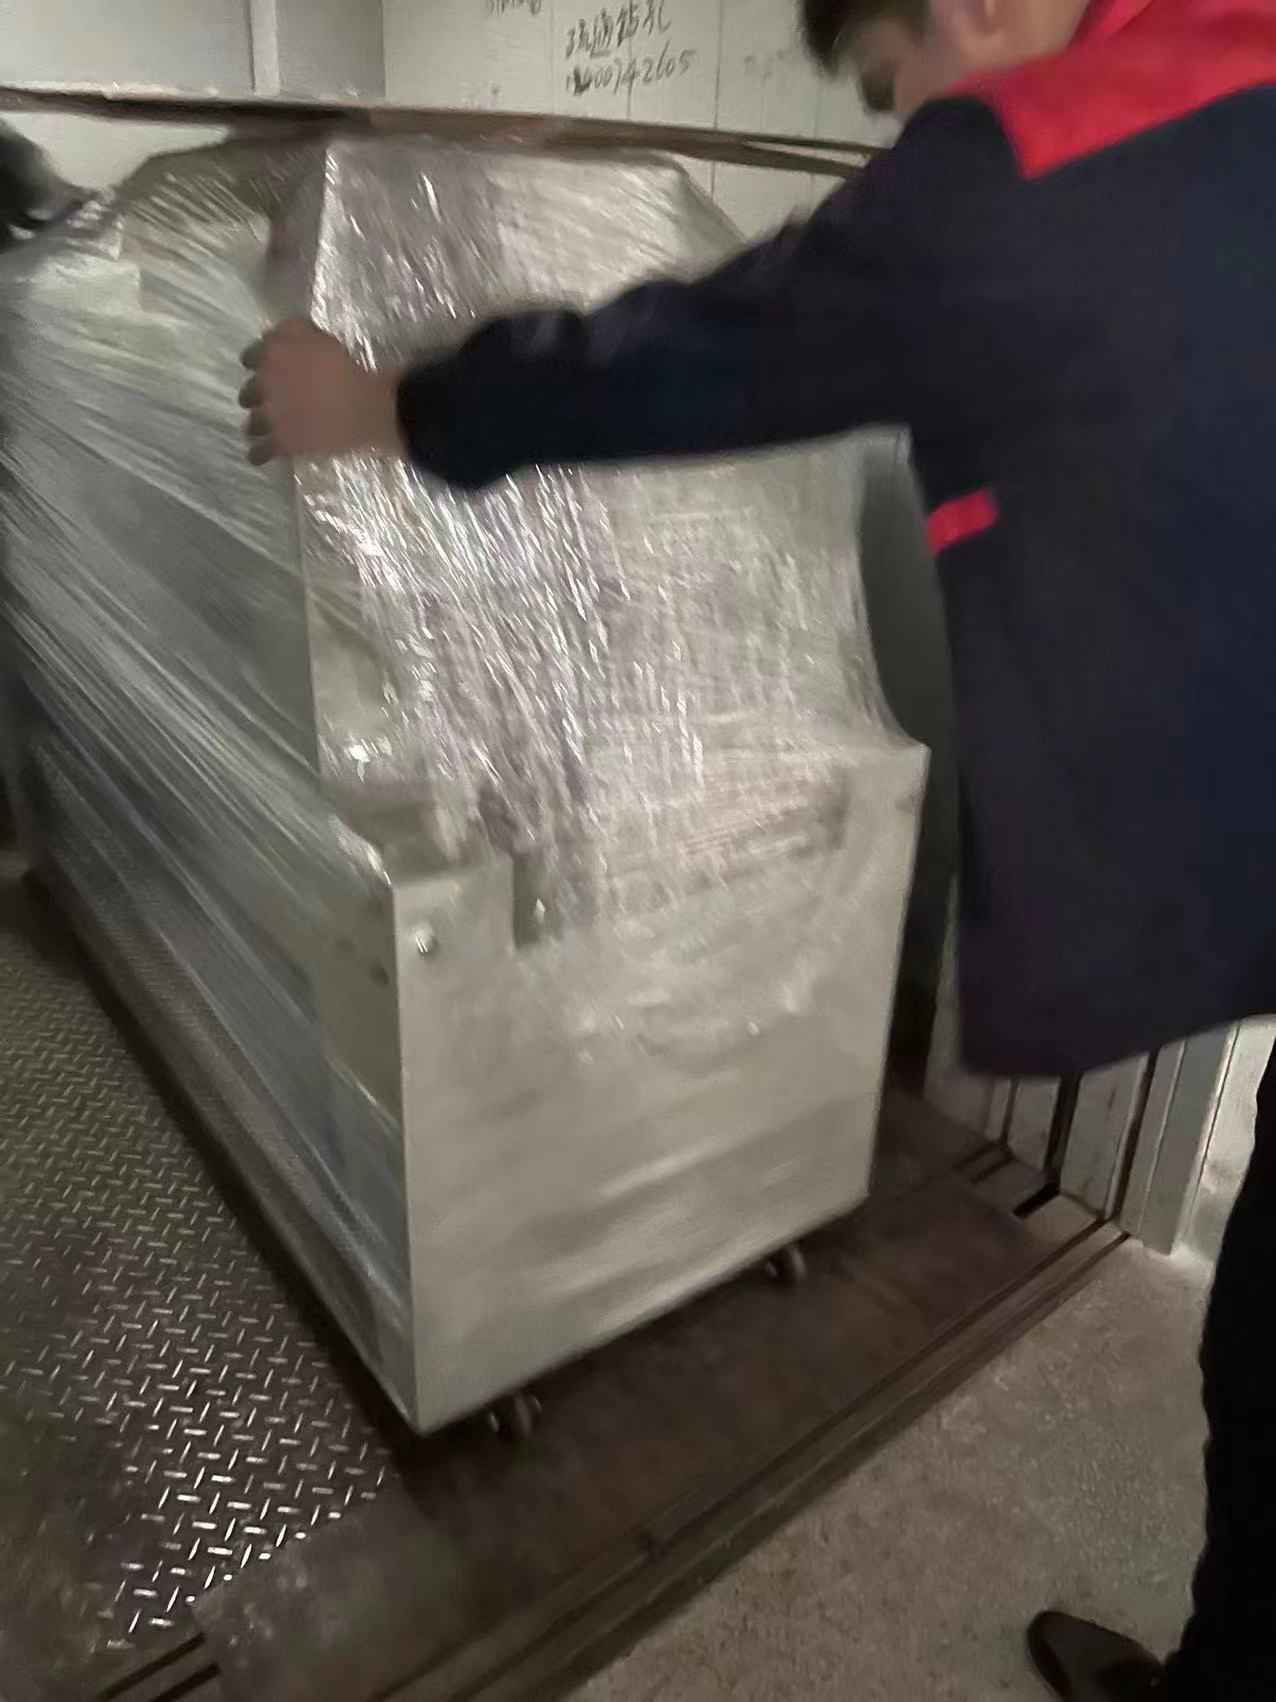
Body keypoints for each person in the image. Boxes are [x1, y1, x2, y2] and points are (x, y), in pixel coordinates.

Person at [239, 0, 1276, 1693]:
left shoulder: (1037, 154)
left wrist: (376, 403)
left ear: (977, 5)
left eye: (891, 81)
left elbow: (691, 354)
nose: (905, 125)